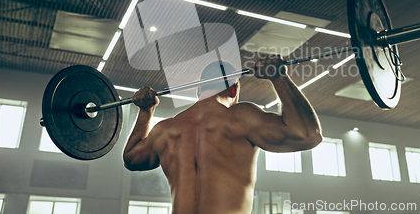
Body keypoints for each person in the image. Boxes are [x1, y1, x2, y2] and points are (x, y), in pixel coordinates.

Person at [123, 55, 322, 214]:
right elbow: (307, 135)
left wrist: (145, 112)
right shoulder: (239, 117)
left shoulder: (165, 130)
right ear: (234, 90)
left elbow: (131, 159)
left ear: (198, 90)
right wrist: (279, 78)